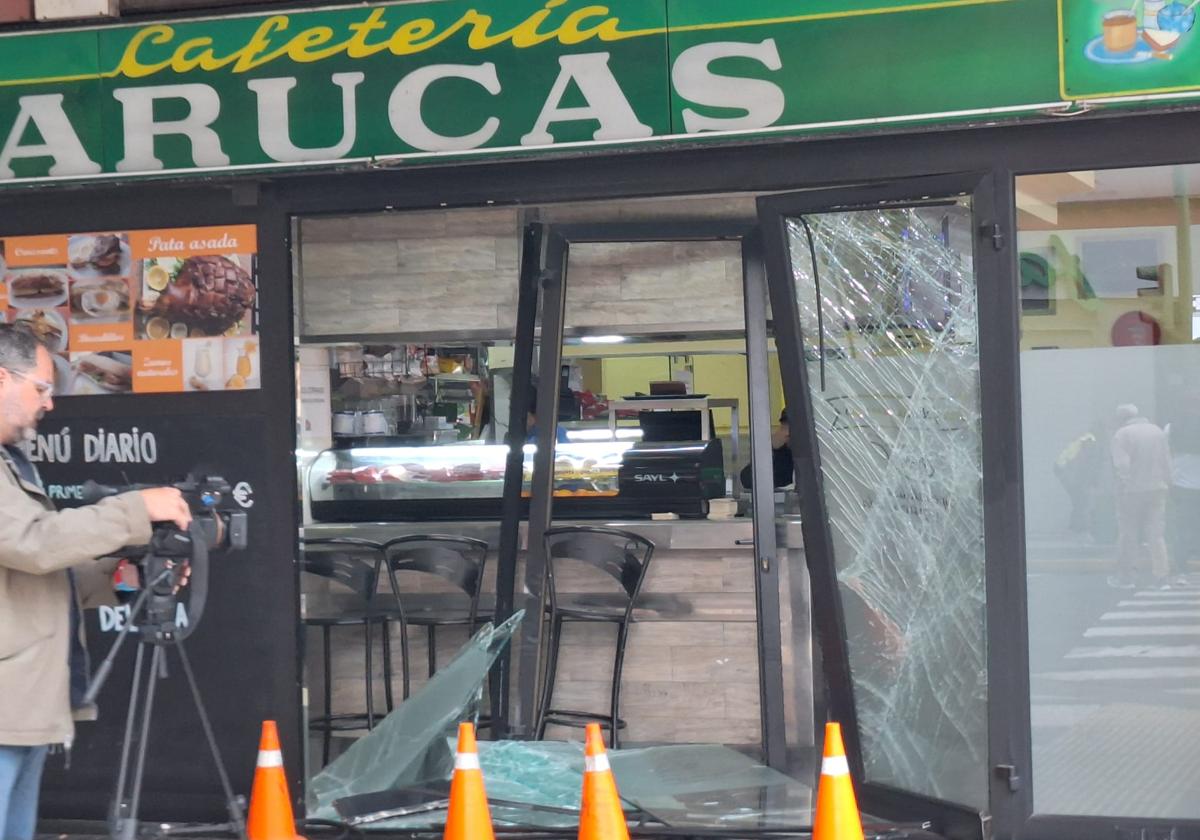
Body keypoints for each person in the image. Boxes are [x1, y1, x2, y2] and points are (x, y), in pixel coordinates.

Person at [0, 325, 192, 840]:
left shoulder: (12, 462)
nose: (49, 403)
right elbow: (34, 544)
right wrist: (136, 507)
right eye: (41, 388)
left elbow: (33, 574)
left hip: (24, 702)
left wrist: (122, 578)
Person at [1109, 403, 1171, 590]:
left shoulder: (1122, 435)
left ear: (1121, 418)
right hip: (1157, 489)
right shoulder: (1157, 432)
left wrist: (1123, 485)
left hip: (1132, 492)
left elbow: (1122, 465)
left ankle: (1126, 577)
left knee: (1129, 533)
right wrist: (1168, 482)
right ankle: (1161, 578)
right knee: (1156, 535)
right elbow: (1166, 461)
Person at [1165, 389, 1200, 586]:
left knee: (1183, 528)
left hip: (1180, 485)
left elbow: (1165, 455)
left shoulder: (1171, 428)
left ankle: (1181, 567)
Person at [740, 409, 795, 490]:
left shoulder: (809, 457)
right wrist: (772, 448)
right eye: (784, 427)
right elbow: (749, 479)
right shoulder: (783, 455)